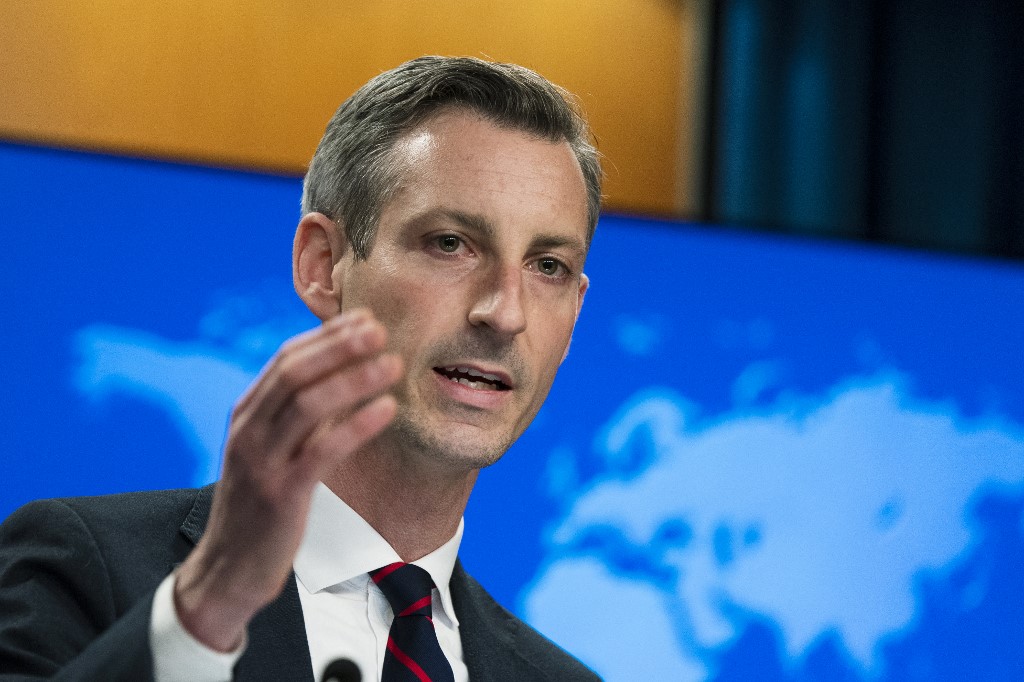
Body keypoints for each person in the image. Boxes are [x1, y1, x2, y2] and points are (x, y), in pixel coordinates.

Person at [0, 56, 603, 681]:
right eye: (450, 243)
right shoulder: (82, 570)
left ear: (575, 314)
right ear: (323, 265)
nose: (505, 312)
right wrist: (213, 602)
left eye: (548, 266)